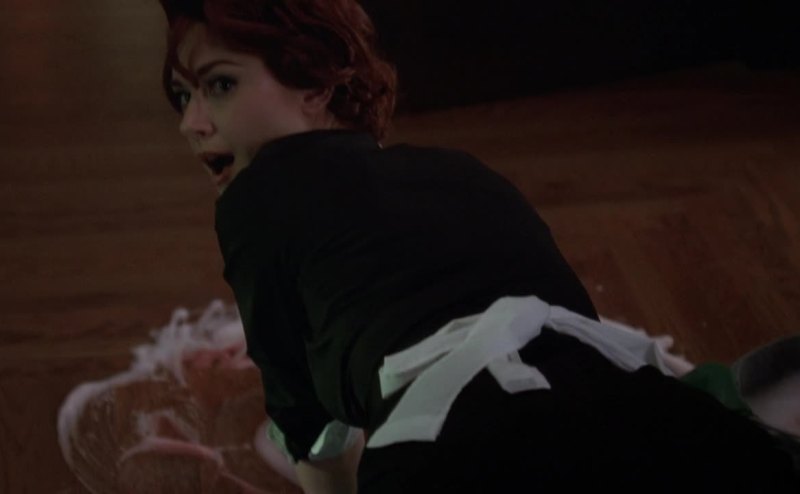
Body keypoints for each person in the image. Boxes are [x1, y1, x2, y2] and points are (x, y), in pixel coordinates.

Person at [158, 0, 799, 492]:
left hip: (458, 446)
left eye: (220, 86)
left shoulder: (256, 197)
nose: (192, 124)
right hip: (635, 405)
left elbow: (306, 421)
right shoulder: (462, 170)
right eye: (183, 96)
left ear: (317, 84)